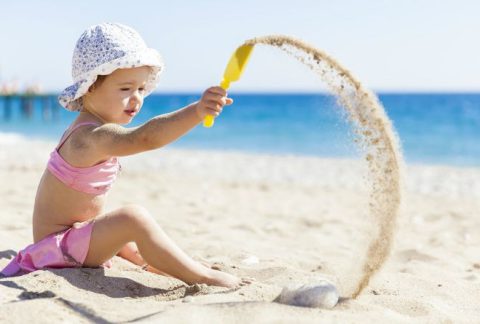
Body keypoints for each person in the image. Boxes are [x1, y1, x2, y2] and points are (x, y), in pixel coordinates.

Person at [1, 22, 251, 288]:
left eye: (141, 89)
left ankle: (167, 264)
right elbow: (146, 137)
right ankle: (202, 277)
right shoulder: (90, 138)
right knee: (133, 218)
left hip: (69, 241)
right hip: (57, 251)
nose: (137, 98)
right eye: (125, 89)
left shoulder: (90, 129)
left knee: (126, 238)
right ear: (91, 87)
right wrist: (197, 112)